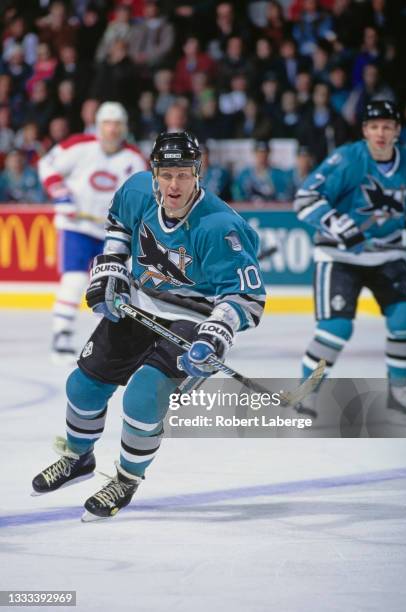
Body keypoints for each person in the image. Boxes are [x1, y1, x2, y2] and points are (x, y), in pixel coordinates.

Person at [31, 131, 266, 521]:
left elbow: (245, 297)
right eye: (166, 174)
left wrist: (215, 335)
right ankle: (78, 457)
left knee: (142, 397)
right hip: (138, 303)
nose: (174, 185)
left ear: (198, 174)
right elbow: (118, 229)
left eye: (184, 174)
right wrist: (109, 272)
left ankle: (126, 478)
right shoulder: (137, 190)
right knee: (83, 385)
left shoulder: (221, 226)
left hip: (192, 318)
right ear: (154, 172)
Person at [293, 100, 406, 417]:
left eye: (387, 126)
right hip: (340, 255)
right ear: (364, 131)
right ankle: (306, 392)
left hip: (389, 255)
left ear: (398, 130)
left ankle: (400, 392)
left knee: (404, 320)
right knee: (335, 330)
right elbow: (305, 198)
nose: (380, 133)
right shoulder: (348, 158)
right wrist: (340, 225)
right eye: (374, 127)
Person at [38, 101, 147, 362]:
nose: (111, 130)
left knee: (113, 285)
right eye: (107, 124)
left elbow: (143, 195)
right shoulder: (79, 145)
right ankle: (61, 335)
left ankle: (111, 339)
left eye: (117, 125)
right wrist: (60, 193)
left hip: (113, 234)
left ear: (124, 128)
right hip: (77, 227)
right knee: (74, 280)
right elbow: (47, 165)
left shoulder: (134, 158)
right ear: (98, 126)